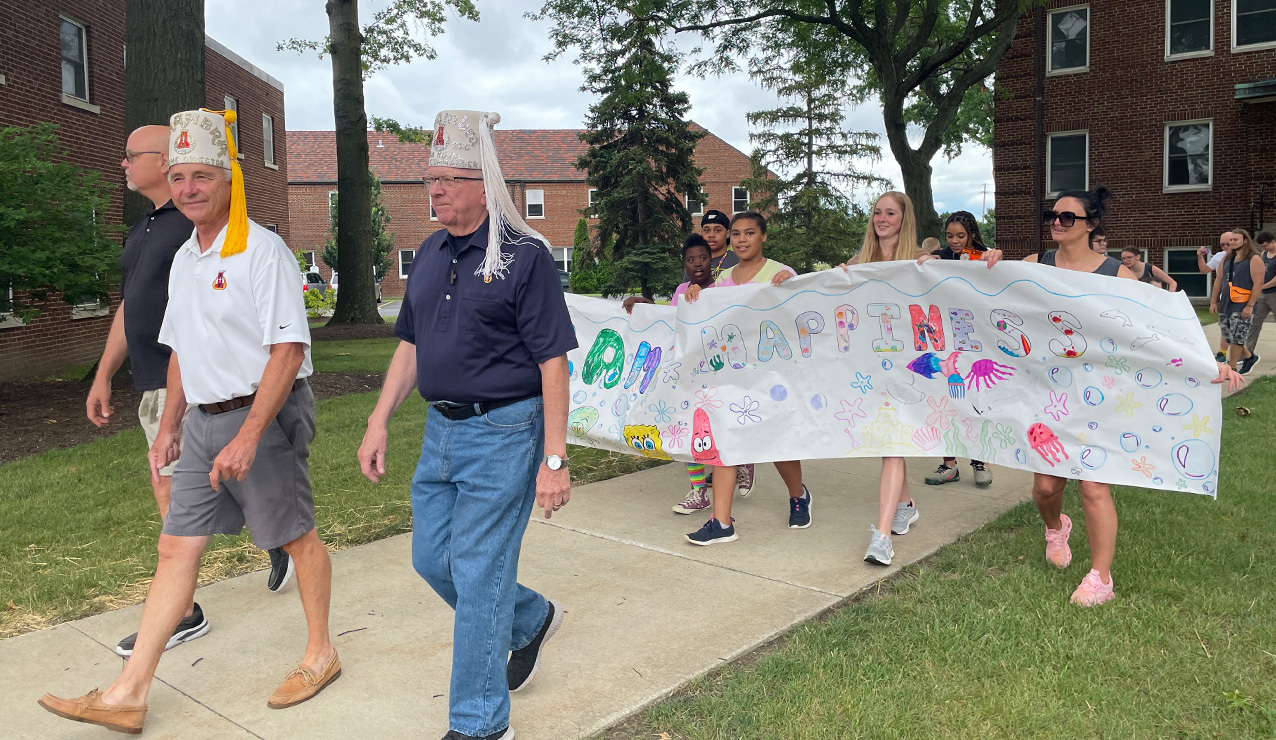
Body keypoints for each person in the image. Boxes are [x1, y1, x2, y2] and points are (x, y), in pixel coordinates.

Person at [40, 109, 337, 734]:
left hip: (264, 414)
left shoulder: (261, 250)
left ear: (228, 179)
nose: (188, 188)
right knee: (175, 546)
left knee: (293, 536)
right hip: (202, 419)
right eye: (178, 177)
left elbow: (288, 351)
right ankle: (127, 693)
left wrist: (251, 435)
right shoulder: (185, 257)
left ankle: (320, 655)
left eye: (202, 175)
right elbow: (180, 349)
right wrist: (172, 423)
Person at [357, 110, 574, 740]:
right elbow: (411, 346)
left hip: (505, 434)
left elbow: (553, 362)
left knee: (478, 575)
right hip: (440, 434)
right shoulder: (428, 254)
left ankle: (480, 723)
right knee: (433, 560)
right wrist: (377, 421)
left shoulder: (525, 257)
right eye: (431, 178)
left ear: (486, 184)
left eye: (450, 178)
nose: (436, 190)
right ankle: (530, 620)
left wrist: (554, 458)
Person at [86, 125, 296, 660]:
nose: (124, 164)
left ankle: (187, 610)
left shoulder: (200, 225)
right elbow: (132, 305)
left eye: (131, 155)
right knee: (183, 491)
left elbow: (261, 328)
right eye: (181, 178)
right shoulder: (150, 228)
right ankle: (273, 540)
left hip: (188, 381)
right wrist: (105, 372)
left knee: (177, 492)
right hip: (159, 380)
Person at [985, 187, 1243, 606]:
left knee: (1093, 486)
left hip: (1099, 396)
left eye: (1067, 217)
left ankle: (1100, 578)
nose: (1056, 222)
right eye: (1053, 215)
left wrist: (1205, 364)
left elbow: (1154, 330)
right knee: (1046, 488)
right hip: (1048, 394)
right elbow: (981, 291)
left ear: (1091, 225)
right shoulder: (1036, 264)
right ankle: (1056, 528)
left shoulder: (1117, 275)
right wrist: (983, 262)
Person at [682, 211, 810, 545]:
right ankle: (722, 522)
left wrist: (791, 287)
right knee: (727, 439)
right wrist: (697, 295)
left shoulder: (780, 273)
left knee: (778, 442)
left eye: (749, 233)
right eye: (736, 234)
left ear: (763, 236)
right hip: (734, 376)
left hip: (772, 375)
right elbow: (711, 318)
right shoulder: (723, 281)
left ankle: (798, 495)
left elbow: (800, 314)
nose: (741, 240)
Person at [842, 191, 924, 566]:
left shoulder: (920, 261)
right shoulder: (858, 263)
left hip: (908, 367)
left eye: (890, 213)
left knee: (891, 442)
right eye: (877, 212)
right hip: (871, 366)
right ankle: (905, 504)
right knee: (889, 441)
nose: (882, 218)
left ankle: (883, 536)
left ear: (904, 219)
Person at [916, 210, 1001, 489]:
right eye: (950, 235)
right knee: (946, 401)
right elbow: (919, 266)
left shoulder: (984, 258)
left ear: (972, 234)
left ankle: (980, 460)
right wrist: (926, 260)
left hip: (976, 339)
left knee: (975, 398)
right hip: (945, 338)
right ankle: (949, 464)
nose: (954, 241)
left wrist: (995, 258)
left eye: (960, 236)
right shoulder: (941, 257)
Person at [1211, 228, 1265, 374]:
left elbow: (1258, 284)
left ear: (1245, 240)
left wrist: (1250, 305)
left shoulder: (1254, 259)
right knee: (1229, 337)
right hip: (1226, 303)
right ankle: (1249, 357)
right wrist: (1213, 301)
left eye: (1235, 240)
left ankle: (1231, 368)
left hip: (1243, 304)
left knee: (1237, 338)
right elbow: (1219, 280)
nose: (1232, 242)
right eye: (1231, 240)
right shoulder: (1227, 259)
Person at [1199, 232, 1235, 362]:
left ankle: (1244, 354)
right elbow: (1206, 271)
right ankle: (1222, 353)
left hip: (1241, 295)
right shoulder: (1220, 257)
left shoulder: (1246, 257)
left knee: (1238, 326)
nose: (1225, 247)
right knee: (1225, 325)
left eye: (1228, 244)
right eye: (1222, 244)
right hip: (1225, 295)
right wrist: (1200, 256)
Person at [1244, 231, 1276, 361]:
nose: (1264, 248)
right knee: (1254, 324)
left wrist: (1261, 286)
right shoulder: (1264, 254)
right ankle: (1247, 353)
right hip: (1263, 296)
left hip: (1274, 294)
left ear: (1273, 241)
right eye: (1262, 246)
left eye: (1265, 245)